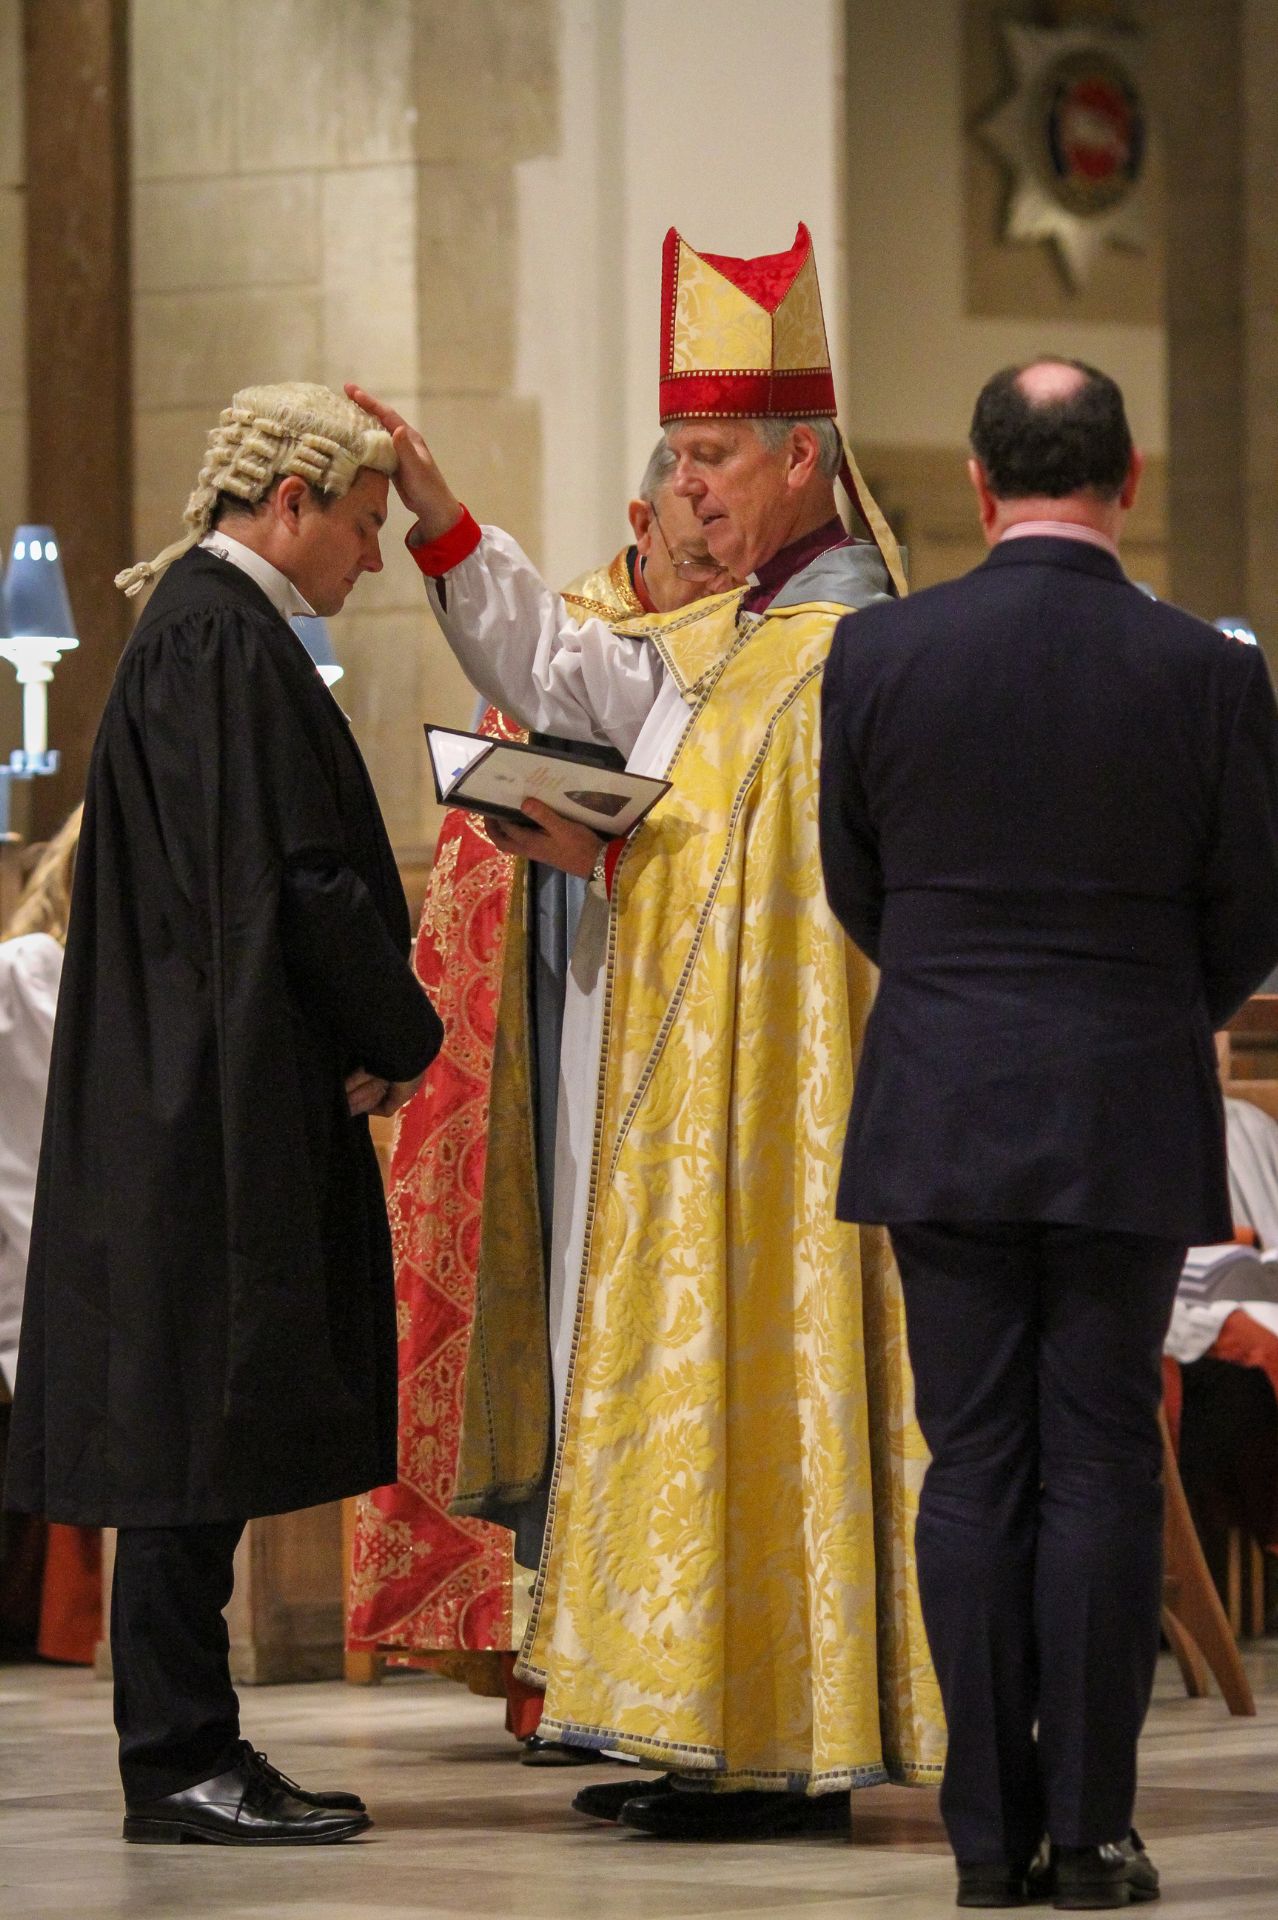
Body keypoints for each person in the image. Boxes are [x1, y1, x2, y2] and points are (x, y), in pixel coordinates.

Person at [347, 219, 944, 1841]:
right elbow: (563, 670)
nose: (684, 488)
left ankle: (779, 1753)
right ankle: (702, 1730)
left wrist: (614, 846)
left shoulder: (851, 647)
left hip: (789, 1137)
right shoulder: (735, 637)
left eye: (712, 455)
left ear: (804, 460)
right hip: (692, 1125)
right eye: (676, 458)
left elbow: (788, 896)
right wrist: (441, 515)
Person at [818, 357, 1278, 1909]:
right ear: (1126, 478)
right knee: (1096, 1461)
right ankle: (1087, 1836)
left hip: (939, 1097)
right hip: (1122, 1102)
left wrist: (956, 999)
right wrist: (1150, 1009)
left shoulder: (878, 653)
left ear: (975, 480)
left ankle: (981, 1843)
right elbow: (1248, 914)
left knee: (971, 1461)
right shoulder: (1205, 671)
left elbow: (856, 890)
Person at [3, 383, 444, 1846]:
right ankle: (178, 1758)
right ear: (294, 501)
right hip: (201, 1103)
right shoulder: (217, 637)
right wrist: (400, 1029)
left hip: (209, 1083)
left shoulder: (219, 632)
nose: (370, 560)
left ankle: (198, 1745)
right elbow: (294, 883)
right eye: (366, 527)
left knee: (205, 1433)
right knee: (188, 1439)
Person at [346, 445, 735, 1764]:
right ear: (639, 518)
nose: (704, 555)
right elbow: (482, 888)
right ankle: (566, 1653)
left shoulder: (766, 645)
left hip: (708, 1059)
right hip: (569, 1061)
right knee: (573, 1335)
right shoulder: (578, 644)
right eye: (686, 530)